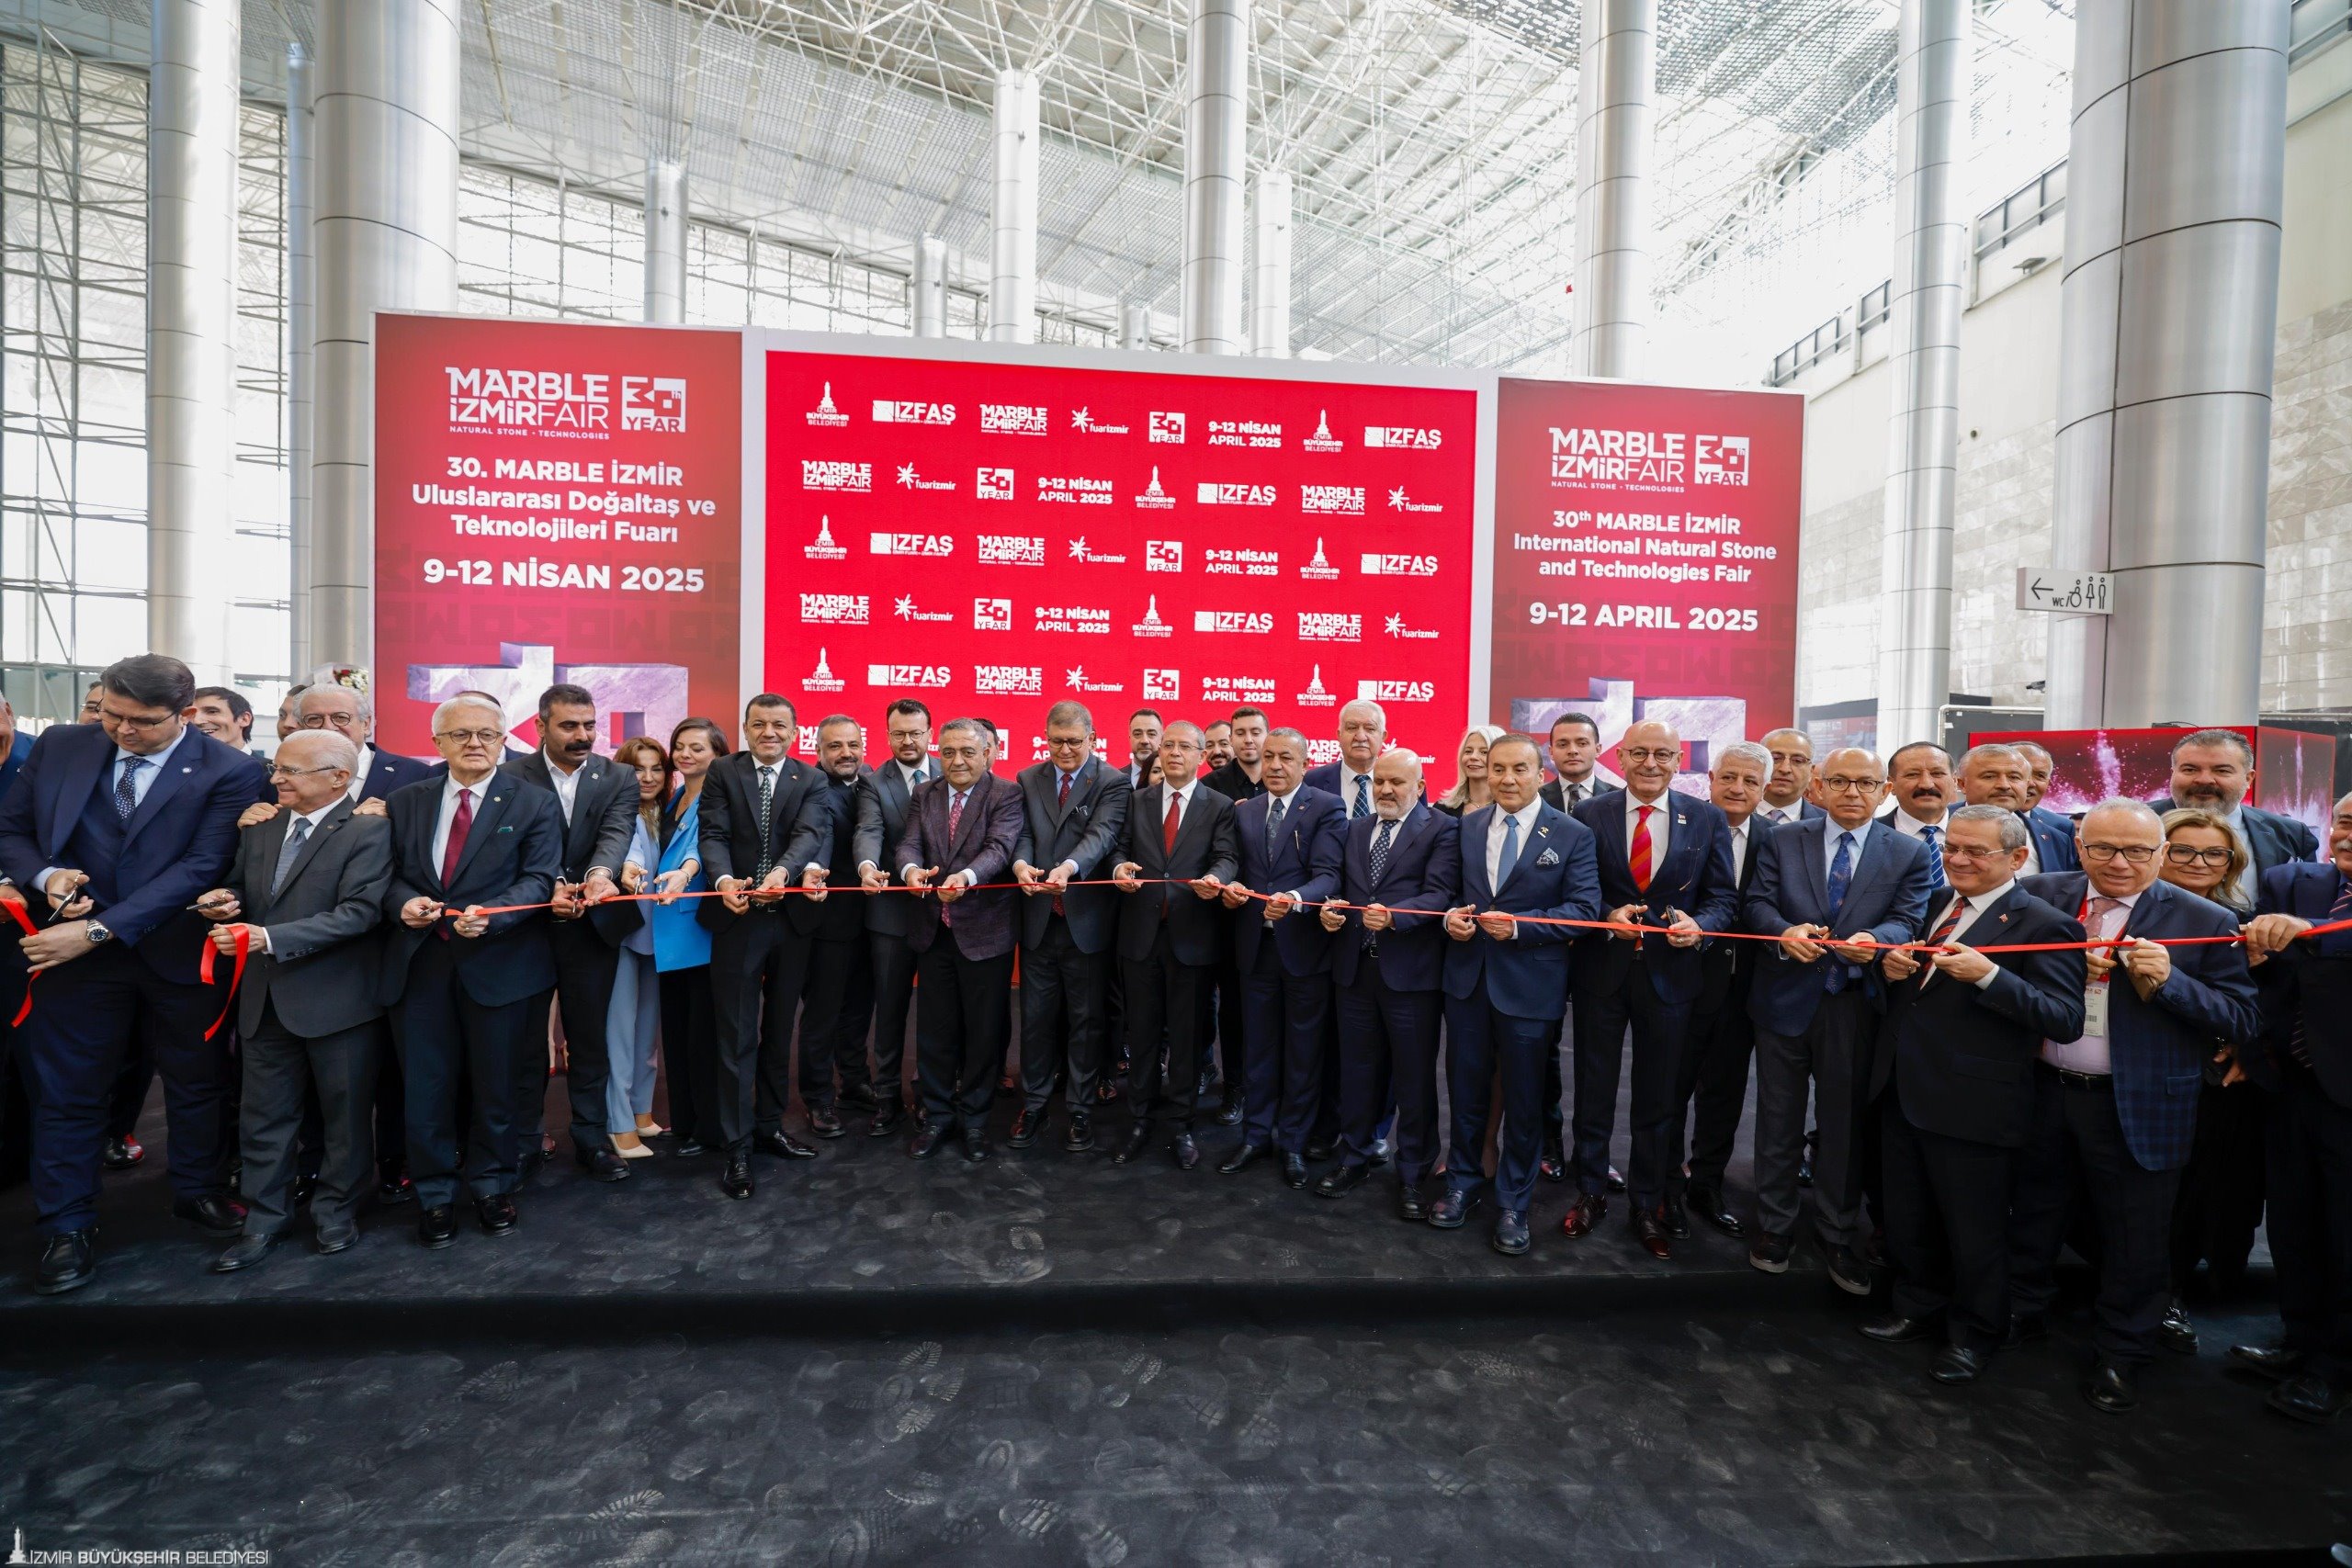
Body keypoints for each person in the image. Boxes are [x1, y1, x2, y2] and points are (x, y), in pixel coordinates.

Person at [1, 653, 271, 1295]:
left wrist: (98, 930)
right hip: (71, 956)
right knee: (68, 1089)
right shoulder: (63, 745)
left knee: (197, 1081)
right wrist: (48, 876)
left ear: (184, 714)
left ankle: (199, 1190)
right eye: (111, 715)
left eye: (142, 722)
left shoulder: (230, 769)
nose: (122, 730)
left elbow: (202, 865)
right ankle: (66, 1223)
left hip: (173, 949)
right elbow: (11, 830)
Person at [2012, 799, 2260, 1413]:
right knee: (2032, 1213)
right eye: (2102, 848)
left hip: (2140, 1103)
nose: (2119, 862)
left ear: (2161, 852)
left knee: (2137, 1236)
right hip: (2042, 1089)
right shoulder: (2040, 895)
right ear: (2078, 846)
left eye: (2137, 851)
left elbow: (2241, 1018)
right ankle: (2019, 1315)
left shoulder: (2205, 918)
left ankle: (2123, 1352)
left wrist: (2172, 981)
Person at [1863, 806, 2086, 1385]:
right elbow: (1922, 994)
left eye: (1975, 852)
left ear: (2017, 858)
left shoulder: (2048, 924)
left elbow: (2064, 1018)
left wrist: (1990, 976)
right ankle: (1917, 1307)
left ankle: (1975, 1334)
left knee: (1974, 1228)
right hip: (1904, 1087)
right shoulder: (1937, 902)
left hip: (1975, 1102)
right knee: (1908, 1215)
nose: (1958, 860)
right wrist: (1894, 970)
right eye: (1952, 848)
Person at [194, 730, 391, 1270]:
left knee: (345, 1119)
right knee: (264, 1119)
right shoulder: (262, 826)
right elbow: (242, 887)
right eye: (276, 768)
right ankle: (264, 1220)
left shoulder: (369, 830)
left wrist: (269, 938)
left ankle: (337, 1212)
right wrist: (224, 900)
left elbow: (360, 913)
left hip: (340, 1003)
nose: (276, 778)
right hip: (263, 1000)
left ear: (338, 778)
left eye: (290, 771)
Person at [379, 694, 563, 1249]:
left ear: (504, 740)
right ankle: (434, 1194)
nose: (475, 743)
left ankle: (492, 1185)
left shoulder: (534, 801)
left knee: (497, 1087)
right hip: (420, 966)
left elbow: (540, 878)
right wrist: (403, 904)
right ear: (437, 742)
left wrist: (494, 916)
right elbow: (385, 875)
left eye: (487, 733)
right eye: (461, 734)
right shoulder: (406, 801)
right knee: (426, 1089)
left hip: (502, 966)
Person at [1744, 747, 1933, 1285]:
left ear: (1885, 791)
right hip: (1783, 1000)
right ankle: (1775, 1225)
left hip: (1854, 1004)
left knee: (1844, 1125)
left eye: (1866, 783)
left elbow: (1909, 918)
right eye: (1841, 781)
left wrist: (1875, 939)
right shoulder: (1782, 839)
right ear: (1818, 787)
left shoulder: (1908, 852)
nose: (1853, 792)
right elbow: (1756, 904)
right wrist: (1783, 932)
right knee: (1776, 1121)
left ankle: (1836, 1231)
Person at [1566, 719, 1739, 1258]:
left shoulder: (1706, 818)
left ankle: (1648, 1202)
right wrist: (1605, 914)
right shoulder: (1588, 813)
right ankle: (1590, 1192)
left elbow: (1723, 898)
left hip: (1673, 977)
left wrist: (1701, 927)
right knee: (1593, 1090)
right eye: (1639, 753)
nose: (1650, 763)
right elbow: (1576, 887)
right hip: (1602, 972)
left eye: (1663, 754)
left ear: (1679, 761)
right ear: (1619, 758)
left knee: (1659, 1096)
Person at [1436, 733, 1601, 1255]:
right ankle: (1462, 1183)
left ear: (1540, 774)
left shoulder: (1572, 834)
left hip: (1531, 986)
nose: (1507, 779)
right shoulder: (1465, 827)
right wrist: (1449, 918)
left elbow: (1584, 910)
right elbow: (1448, 895)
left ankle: (1514, 1202)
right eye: (1498, 768)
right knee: (1465, 1092)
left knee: (1526, 1102)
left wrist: (1521, 927)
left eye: (1519, 769)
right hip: (1468, 982)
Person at [2234, 796, 2352, 1425]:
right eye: (2346, 822)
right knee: (2293, 1223)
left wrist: (2303, 936)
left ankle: (2336, 1368)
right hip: (2291, 1081)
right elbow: (2259, 967)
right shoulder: (2291, 880)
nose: (2348, 836)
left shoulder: (2308, 910)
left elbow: (2310, 950)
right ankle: (2301, 1341)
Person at [502, 684, 636, 1184]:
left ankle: (591, 1139)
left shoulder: (617, 776)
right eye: (569, 726)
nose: (583, 735)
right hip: (529, 928)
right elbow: (520, 845)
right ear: (540, 726)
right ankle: (525, 1140)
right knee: (525, 1044)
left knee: (589, 1039)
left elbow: (616, 833)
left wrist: (600, 875)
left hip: (592, 927)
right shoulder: (510, 776)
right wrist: (554, 883)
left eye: (589, 725)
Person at [698, 694, 831, 1198]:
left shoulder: (811, 778)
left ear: (795, 731)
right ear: (746, 728)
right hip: (738, 919)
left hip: (791, 920)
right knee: (736, 1036)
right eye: (759, 724)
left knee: (779, 1030)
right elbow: (712, 834)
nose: (769, 732)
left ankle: (769, 1126)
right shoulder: (723, 772)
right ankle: (736, 1146)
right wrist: (723, 880)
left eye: (779, 725)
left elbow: (810, 833)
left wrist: (782, 873)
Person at [1317, 749, 1460, 1213]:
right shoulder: (1356, 828)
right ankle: (1355, 1157)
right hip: (1355, 971)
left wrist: (1395, 916)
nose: (1385, 790)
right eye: (1380, 781)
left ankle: (1413, 1174)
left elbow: (1440, 894)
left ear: (1420, 786)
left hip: (1412, 977)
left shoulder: (1442, 829)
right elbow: (1341, 887)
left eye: (1397, 782)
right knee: (1357, 1073)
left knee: (1414, 1079)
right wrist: (1331, 911)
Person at [891, 718, 1024, 1161]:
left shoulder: (1006, 793)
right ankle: (938, 1116)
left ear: (987, 752)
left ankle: (975, 1121)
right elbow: (909, 843)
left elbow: (1000, 849)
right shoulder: (924, 792)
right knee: (934, 1031)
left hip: (985, 932)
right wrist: (910, 870)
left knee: (983, 1033)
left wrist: (966, 877)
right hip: (933, 931)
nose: (958, 761)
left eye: (968, 751)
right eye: (948, 752)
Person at [1110, 720, 1241, 1168]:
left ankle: (1183, 1123)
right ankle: (1140, 1118)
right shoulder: (1136, 801)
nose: (1174, 753)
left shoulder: (1219, 806)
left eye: (1185, 747)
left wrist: (1217, 878)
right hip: (1140, 936)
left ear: (1202, 756)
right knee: (1143, 1034)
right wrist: (1119, 868)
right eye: (1168, 746)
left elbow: (1227, 856)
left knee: (1186, 1038)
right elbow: (1118, 848)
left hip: (1193, 936)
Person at [2158, 807, 2265, 1351]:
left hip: (2215, 1080)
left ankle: (2170, 1294)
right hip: (2139, 1072)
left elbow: (2262, 1004)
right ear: (2159, 852)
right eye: (2182, 849)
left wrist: (2248, 1046)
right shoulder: (2125, 916)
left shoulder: (2248, 923)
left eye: (2213, 853)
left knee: (2196, 1193)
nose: (2197, 862)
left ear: (2231, 862)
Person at [1218, 728, 1344, 1187]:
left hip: (1305, 948)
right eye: (1269, 756)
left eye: (1285, 757)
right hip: (1255, 949)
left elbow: (1329, 875)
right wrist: (1229, 886)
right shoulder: (1245, 810)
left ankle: (1293, 1142)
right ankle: (1256, 1136)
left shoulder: (1327, 807)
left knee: (1303, 1052)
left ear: (1305, 763)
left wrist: (1294, 898)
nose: (1274, 765)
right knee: (1258, 1048)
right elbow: (1234, 864)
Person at [1010, 701, 1130, 1153]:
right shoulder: (1027, 778)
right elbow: (1022, 833)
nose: (1064, 750)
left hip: (1086, 921)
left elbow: (1102, 835)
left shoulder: (1113, 782)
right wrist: (1021, 864)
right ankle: (1035, 1105)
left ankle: (1080, 1109)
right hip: (1038, 920)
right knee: (1035, 1021)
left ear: (1093, 739)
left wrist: (1069, 868)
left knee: (1086, 1021)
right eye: (1056, 741)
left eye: (1074, 742)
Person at [1670, 740, 1775, 1238]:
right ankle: (1665, 1185)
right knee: (1670, 1088)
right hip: (1682, 979)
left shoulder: (1779, 838)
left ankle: (1707, 1182)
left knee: (1725, 1094)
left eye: (1750, 781)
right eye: (1728, 777)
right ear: (1710, 780)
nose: (1737, 788)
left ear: (1764, 788)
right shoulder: (1682, 824)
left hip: (1746, 988)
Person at [792, 716, 876, 1139]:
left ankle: (855, 1081)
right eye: (835, 746)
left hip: (872, 919)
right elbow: (819, 836)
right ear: (818, 749)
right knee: (823, 1013)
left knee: (859, 1007)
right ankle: (818, 1097)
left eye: (853, 744)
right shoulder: (813, 787)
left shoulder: (872, 779)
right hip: (826, 919)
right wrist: (814, 869)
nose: (846, 753)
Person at [854, 699, 934, 1136]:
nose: (907, 741)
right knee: (889, 1011)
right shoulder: (873, 781)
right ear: (886, 735)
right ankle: (887, 1097)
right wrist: (867, 867)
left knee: (938, 1013)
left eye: (915, 733)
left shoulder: (951, 771)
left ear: (929, 734)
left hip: (943, 913)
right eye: (899, 733)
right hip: (890, 915)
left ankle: (929, 1096)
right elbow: (869, 830)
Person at [648, 718, 722, 1156]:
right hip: (667, 927)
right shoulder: (676, 796)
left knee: (702, 1036)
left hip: (698, 927)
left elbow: (703, 848)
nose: (685, 754)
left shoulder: (717, 797)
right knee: (675, 1031)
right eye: (680, 746)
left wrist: (687, 871)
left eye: (697, 747)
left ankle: (708, 1128)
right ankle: (685, 1120)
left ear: (718, 754)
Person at [2153, 728, 2319, 907]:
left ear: (2248, 779)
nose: (2204, 779)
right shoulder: (2134, 823)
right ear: (2173, 773)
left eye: (2221, 771)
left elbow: (2307, 904)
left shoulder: (2291, 834)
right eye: (2190, 769)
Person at [604, 737, 671, 1158]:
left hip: (659, 935)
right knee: (620, 1032)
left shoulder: (666, 813)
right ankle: (618, 1122)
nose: (647, 777)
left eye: (656, 768)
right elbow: (626, 854)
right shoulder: (619, 812)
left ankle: (641, 1109)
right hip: (622, 934)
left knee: (647, 1029)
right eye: (637, 769)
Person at [292, 682, 435, 807]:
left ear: (366, 724)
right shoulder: (284, 778)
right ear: (300, 727)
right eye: (314, 719)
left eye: (340, 717)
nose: (328, 727)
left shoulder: (417, 775)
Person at [1959, 742, 2077, 874]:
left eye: (2014, 777)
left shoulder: (2058, 839)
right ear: (1962, 784)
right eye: (1989, 776)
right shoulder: (1941, 826)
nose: (2004, 785)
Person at [1883, 742, 1958, 896]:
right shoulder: (1868, 836)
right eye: (1912, 775)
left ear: (1955, 781)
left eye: (1937, 773)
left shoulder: (1978, 834)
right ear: (1891, 784)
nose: (1926, 784)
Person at [1303, 699, 1385, 819]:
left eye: (1370, 729)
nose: (1360, 737)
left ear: (1383, 736)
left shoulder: (1404, 781)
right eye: (1352, 728)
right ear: (1339, 735)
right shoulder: (1312, 781)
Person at [1758, 728, 1825, 826]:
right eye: (1775, 758)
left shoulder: (1827, 824)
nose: (1785, 769)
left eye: (1798, 761)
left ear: (1811, 771)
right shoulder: (1735, 815)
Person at [1539, 713, 1605, 810]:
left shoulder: (1621, 799)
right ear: (1551, 752)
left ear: (1598, 750)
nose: (1572, 751)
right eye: (1563, 745)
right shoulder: (1535, 798)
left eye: (1582, 743)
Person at [1437, 725, 1506, 816]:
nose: (1473, 757)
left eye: (1484, 752)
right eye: (1468, 751)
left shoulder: (1511, 809)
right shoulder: (1441, 810)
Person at [1202, 707, 1267, 802]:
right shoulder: (1207, 786)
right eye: (1240, 734)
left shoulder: (1283, 779)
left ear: (1268, 737)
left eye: (1255, 733)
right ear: (1231, 739)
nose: (1248, 740)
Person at [188, 686, 257, 752]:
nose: (196, 721)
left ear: (244, 719)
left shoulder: (259, 762)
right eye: (189, 714)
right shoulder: (183, 760)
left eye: (212, 712)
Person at [1124, 709, 1164, 791]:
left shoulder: (1174, 778)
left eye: (1151, 734)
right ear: (1130, 738)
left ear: (1162, 739)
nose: (1144, 741)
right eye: (1138, 734)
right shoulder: (1114, 778)